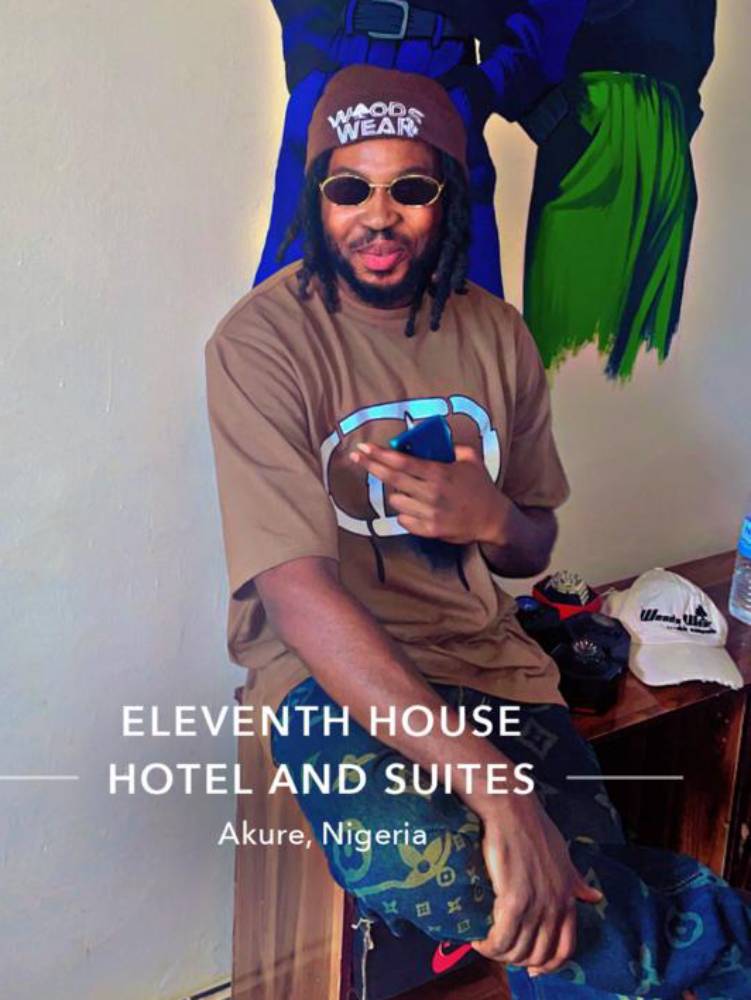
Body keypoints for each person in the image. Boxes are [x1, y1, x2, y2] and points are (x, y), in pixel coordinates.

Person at [206, 65, 751, 998]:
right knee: (437, 863)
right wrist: (498, 789)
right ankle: (722, 938)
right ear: (318, 196)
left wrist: (492, 517)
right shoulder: (259, 344)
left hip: (489, 664)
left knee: (557, 921)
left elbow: (531, 549)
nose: (377, 216)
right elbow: (295, 592)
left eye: (410, 188)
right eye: (349, 187)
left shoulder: (499, 334)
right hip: (331, 679)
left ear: (448, 198)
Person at [255, 0, 586, 297]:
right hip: (337, 71)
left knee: (465, 307)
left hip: (442, 76)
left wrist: (486, 86)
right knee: (291, 292)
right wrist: (309, 72)